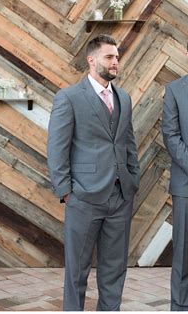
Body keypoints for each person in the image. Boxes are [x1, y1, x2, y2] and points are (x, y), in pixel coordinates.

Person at [47, 34, 140, 311]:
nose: (116, 62)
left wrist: (132, 178)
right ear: (92, 60)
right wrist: (65, 192)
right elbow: (57, 148)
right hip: (83, 197)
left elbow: (128, 142)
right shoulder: (69, 97)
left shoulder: (123, 96)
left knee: (114, 270)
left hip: (120, 196)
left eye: (117, 57)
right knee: (77, 271)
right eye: (110, 57)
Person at [162, 33, 188, 311]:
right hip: (187, 181)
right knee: (184, 253)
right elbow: (171, 135)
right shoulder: (175, 89)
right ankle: (181, 307)